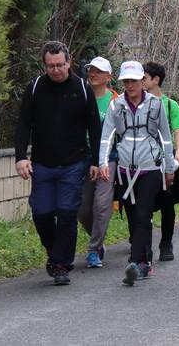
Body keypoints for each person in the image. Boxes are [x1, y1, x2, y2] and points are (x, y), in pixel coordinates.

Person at [15, 41, 101, 285]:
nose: (56, 70)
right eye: (50, 66)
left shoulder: (82, 88)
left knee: (66, 212)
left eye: (60, 65)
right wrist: (21, 156)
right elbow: (22, 124)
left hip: (73, 163)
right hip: (42, 164)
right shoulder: (35, 88)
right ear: (45, 65)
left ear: (69, 62)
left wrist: (96, 160)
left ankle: (62, 264)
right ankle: (54, 252)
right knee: (41, 213)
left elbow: (95, 127)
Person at [99, 60, 176, 286]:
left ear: (143, 80)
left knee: (143, 214)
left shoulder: (155, 104)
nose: (130, 85)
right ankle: (145, 261)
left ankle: (134, 263)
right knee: (133, 216)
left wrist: (169, 167)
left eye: (134, 80)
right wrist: (104, 163)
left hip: (150, 167)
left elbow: (165, 137)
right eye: (126, 81)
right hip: (125, 169)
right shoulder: (116, 105)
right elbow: (107, 136)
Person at [141, 62, 179, 261]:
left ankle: (166, 242)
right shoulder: (138, 104)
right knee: (143, 205)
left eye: (144, 77)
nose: (140, 81)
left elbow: (178, 131)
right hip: (144, 163)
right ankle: (141, 243)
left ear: (155, 80)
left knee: (168, 205)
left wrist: (178, 153)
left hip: (167, 162)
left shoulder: (170, 105)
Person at [77, 56, 118, 268]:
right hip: (82, 158)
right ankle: (98, 238)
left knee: (101, 205)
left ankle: (94, 249)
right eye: (91, 70)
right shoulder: (81, 97)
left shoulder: (116, 101)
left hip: (108, 159)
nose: (93, 74)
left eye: (99, 72)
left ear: (108, 77)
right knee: (82, 209)